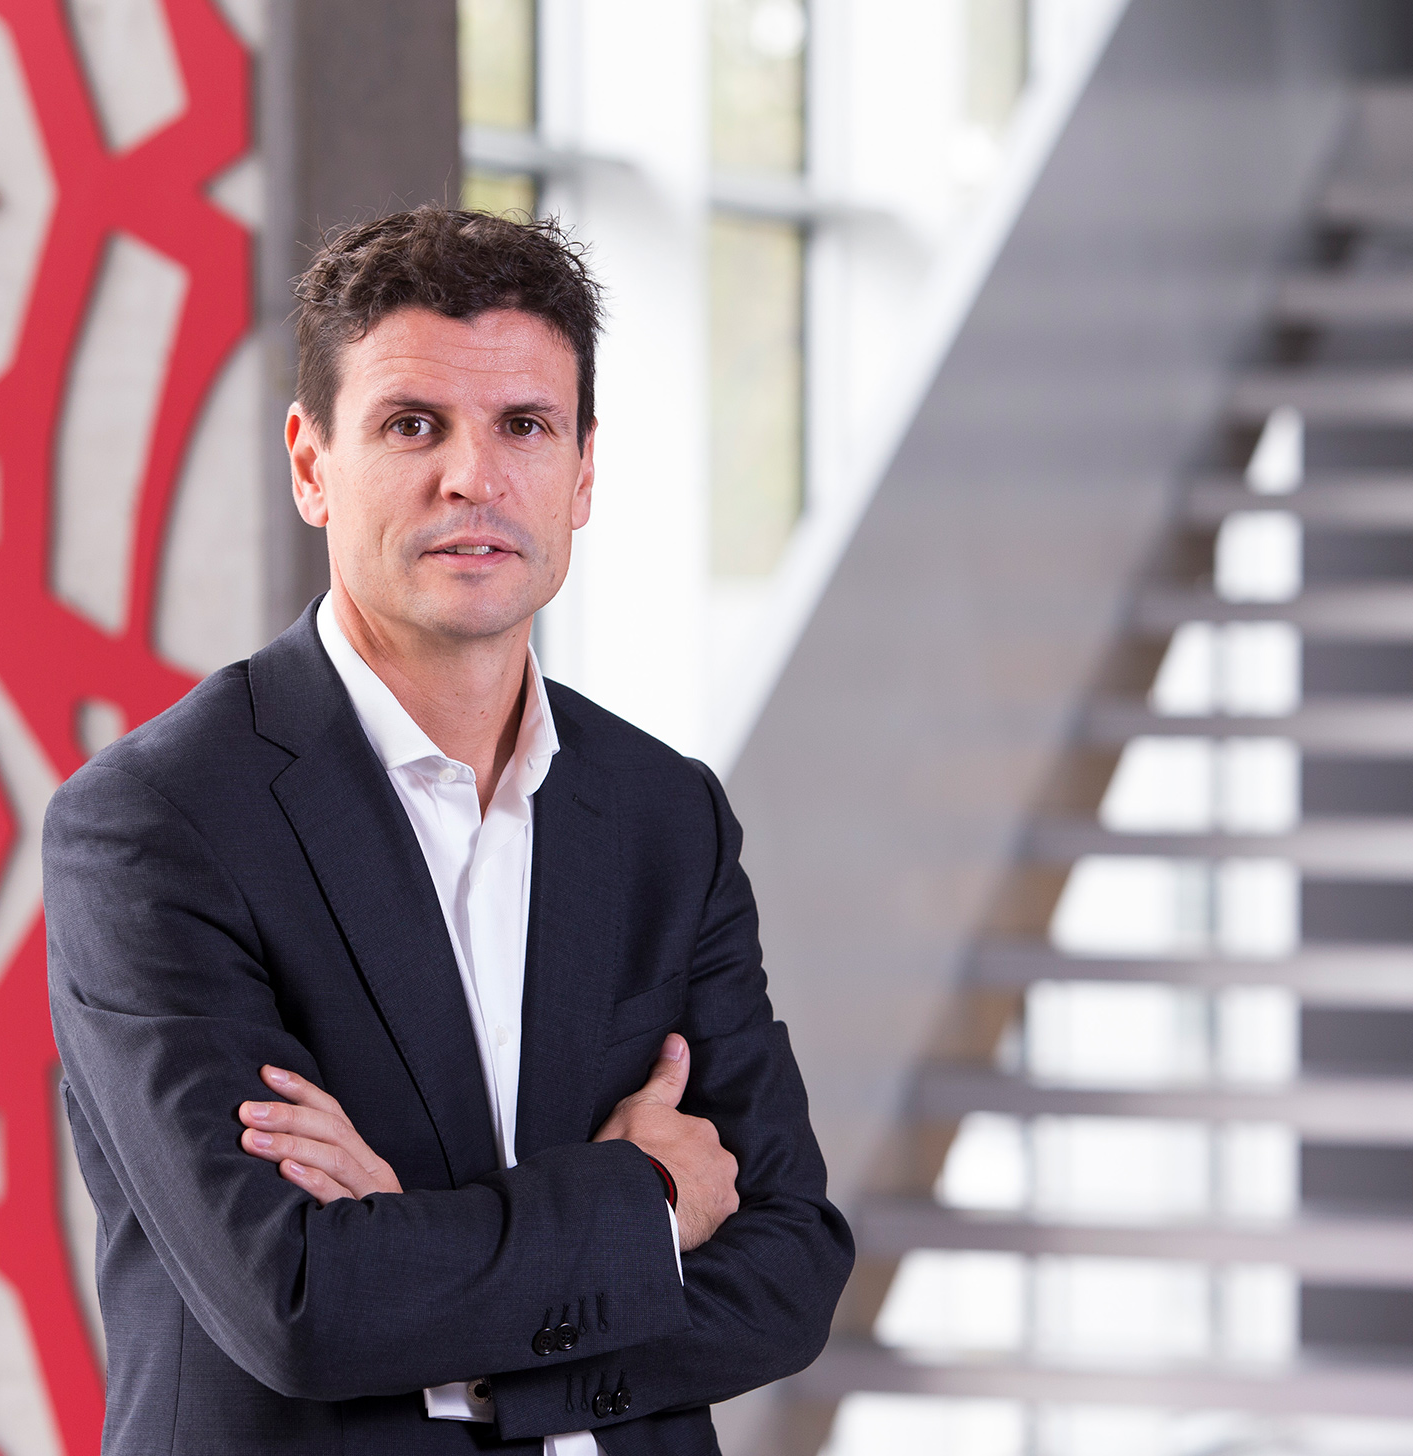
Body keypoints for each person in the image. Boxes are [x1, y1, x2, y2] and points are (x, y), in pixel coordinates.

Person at [45, 205, 852, 1455]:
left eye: (524, 425)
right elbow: (301, 1300)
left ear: (583, 473)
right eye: (412, 424)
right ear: (311, 463)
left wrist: (431, 1280)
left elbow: (790, 1266)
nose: (474, 476)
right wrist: (644, 1199)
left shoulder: (663, 815)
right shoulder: (157, 825)